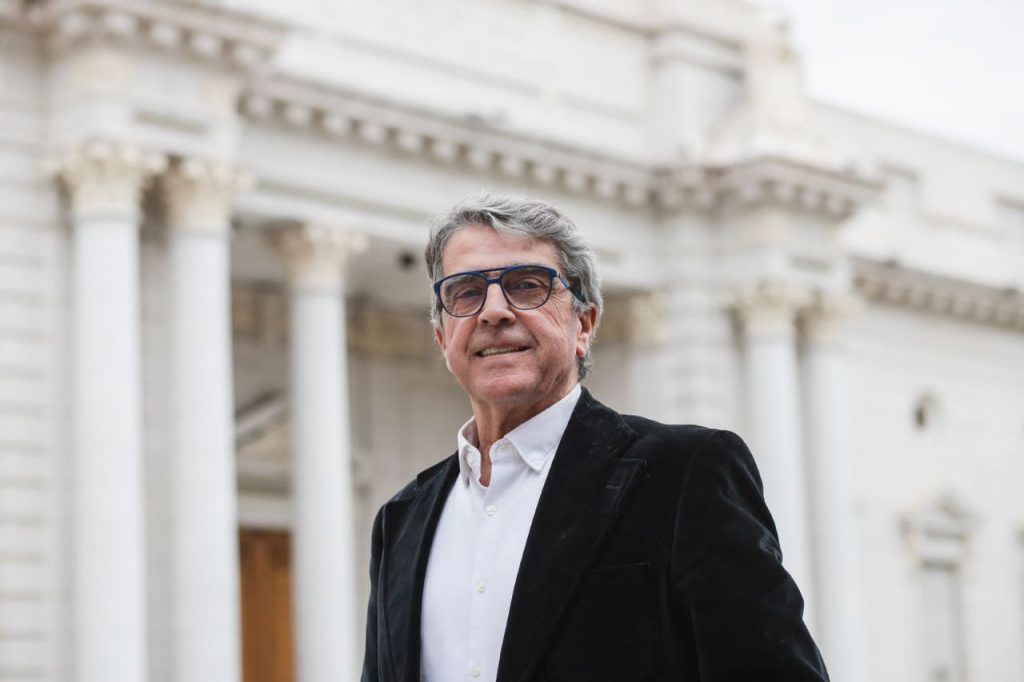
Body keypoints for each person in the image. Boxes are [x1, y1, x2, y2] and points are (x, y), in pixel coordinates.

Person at [360, 193, 829, 682]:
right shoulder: (401, 520)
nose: (493, 311)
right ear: (442, 337)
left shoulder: (684, 475)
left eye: (526, 286)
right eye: (466, 293)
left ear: (584, 324)